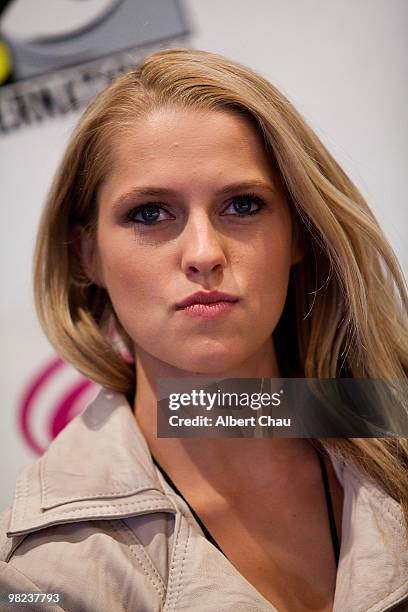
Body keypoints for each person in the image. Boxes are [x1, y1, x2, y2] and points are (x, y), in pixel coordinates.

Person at [0, 48, 407, 612]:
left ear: (299, 233)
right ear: (87, 252)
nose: (203, 253)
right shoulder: (42, 568)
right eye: (149, 213)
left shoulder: (392, 427)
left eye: (242, 204)